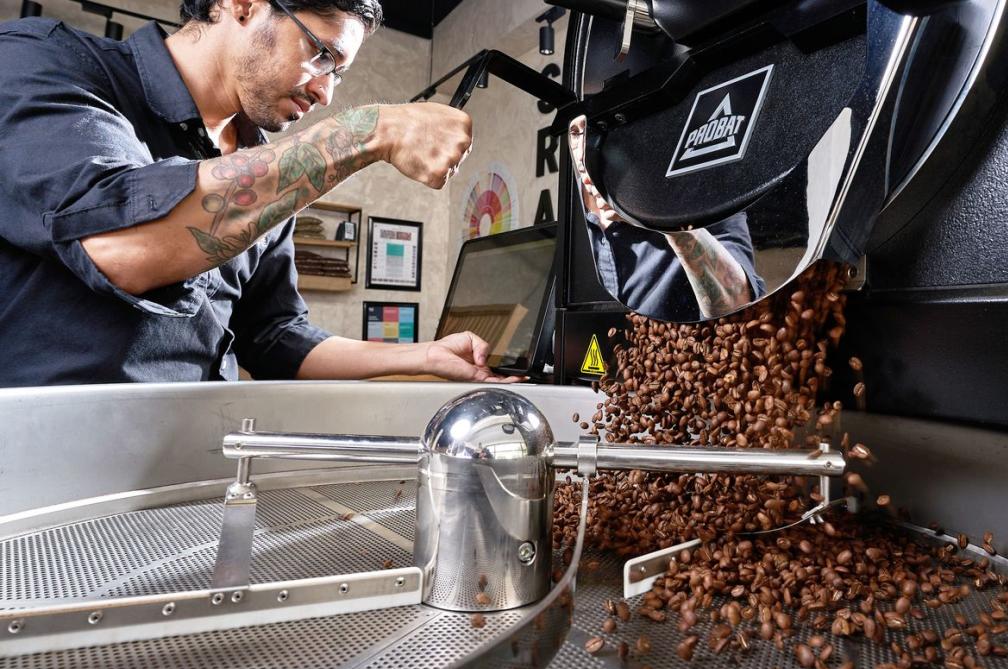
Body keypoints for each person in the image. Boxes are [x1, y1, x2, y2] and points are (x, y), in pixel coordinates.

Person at [0, 0, 518, 387]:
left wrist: (424, 357)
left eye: (339, 74)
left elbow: (272, 337)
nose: (325, 92)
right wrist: (364, 131)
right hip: (44, 471)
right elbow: (124, 246)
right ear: (242, 5)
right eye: (321, 55)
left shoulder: (262, 164)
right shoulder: (45, 61)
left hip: (196, 463)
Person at [567, 115, 765, 320]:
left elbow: (738, 305)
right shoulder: (567, 216)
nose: (584, 149)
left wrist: (656, 212)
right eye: (576, 132)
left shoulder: (706, 193)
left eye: (599, 127)